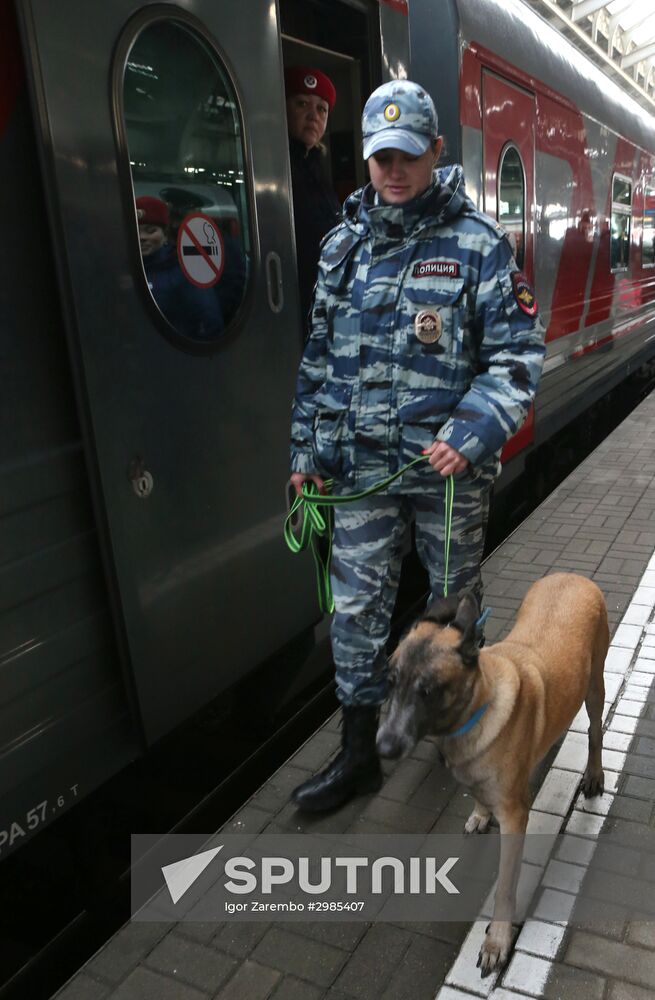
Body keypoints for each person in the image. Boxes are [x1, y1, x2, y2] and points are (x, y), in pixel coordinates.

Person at [289, 80, 546, 812]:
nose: (393, 171)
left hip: (445, 478)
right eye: (379, 158)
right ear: (365, 158)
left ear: (435, 150)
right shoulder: (342, 247)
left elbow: (518, 356)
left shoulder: (476, 245)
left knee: (451, 613)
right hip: (361, 471)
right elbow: (315, 362)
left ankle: (463, 733)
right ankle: (356, 756)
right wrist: (305, 456)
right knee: (355, 612)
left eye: (407, 155)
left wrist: (469, 433)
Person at [285, 66, 341, 338]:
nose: (313, 116)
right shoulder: (281, 165)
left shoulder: (316, 165)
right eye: (302, 104)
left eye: (322, 109)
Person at [136, 196, 223, 340]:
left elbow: (210, 322)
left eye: (151, 230)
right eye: (136, 231)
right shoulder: (124, 269)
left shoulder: (184, 271)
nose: (142, 237)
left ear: (165, 236)